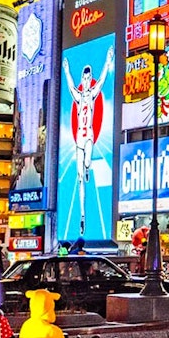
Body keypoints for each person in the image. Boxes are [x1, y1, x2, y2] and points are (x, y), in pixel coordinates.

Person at [62, 49, 114, 237]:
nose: (86, 81)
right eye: (84, 78)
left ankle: (87, 168)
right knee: (79, 179)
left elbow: (101, 81)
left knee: (87, 163)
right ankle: (82, 216)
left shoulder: (92, 94)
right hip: (79, 139)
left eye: (88, 77)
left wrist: (108, 61)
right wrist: (67, 71)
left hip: (89, 134)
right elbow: (69, 86)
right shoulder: (78, 96)